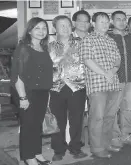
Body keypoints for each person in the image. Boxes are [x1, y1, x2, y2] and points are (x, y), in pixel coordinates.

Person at [11, 17, 53, 165]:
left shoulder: (43, 48)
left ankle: (37, 153)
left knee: (37, 125)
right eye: (37, 28)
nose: (42, 31)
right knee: (28, 126)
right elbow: (18, 76)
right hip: (27, 93)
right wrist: (23, 98)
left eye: (44, 28)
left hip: (42, 92)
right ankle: (28, 157)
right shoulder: (23, 48)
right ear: (29, 30)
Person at [80, 12, 122, 158]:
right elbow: (87, 60)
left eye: (106, 22)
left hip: (113, 84)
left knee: (110, 117)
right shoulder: (87, 40)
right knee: (97, 117)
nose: (105, 24)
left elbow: (118, 60)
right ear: (93, 23)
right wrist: (105, 73)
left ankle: (106, 143)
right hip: (97, 85)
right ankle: (97, 148)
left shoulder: (111, 40)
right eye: (101, 21)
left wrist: (113, 70)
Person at [49, 15, 88, 161]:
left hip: (77, 87)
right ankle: (58, 149)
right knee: (58, 121)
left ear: (72, 26)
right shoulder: (49, 46)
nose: (65, 28)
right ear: (55, 28)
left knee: (76, 120)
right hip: (56, 87)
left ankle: (75, 148)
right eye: (61, 25)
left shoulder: (82, 43)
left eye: (67, 25)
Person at [107, 11, 131, 148]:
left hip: (130, 79)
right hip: (115, 78)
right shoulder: (108, 37)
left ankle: (126, 134)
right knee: (113, 109)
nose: (121, 22)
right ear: (112, 21)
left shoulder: (130, 37)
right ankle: (114, 136)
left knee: (127, 108)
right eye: (118, 19)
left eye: (124, 19)